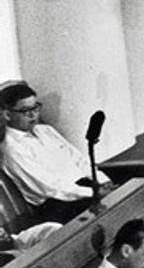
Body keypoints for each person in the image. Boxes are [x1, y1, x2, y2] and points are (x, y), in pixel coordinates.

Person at [1, 83, 112, 222]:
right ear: (7, 114)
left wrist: (103, 181)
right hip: (59, 205)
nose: (33, 114)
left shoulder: (46, 130)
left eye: (35, 108)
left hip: (85, 190)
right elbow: (48, 187)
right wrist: (94, 192)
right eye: (25, 110)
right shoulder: (12, 148)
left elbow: (79, 160)